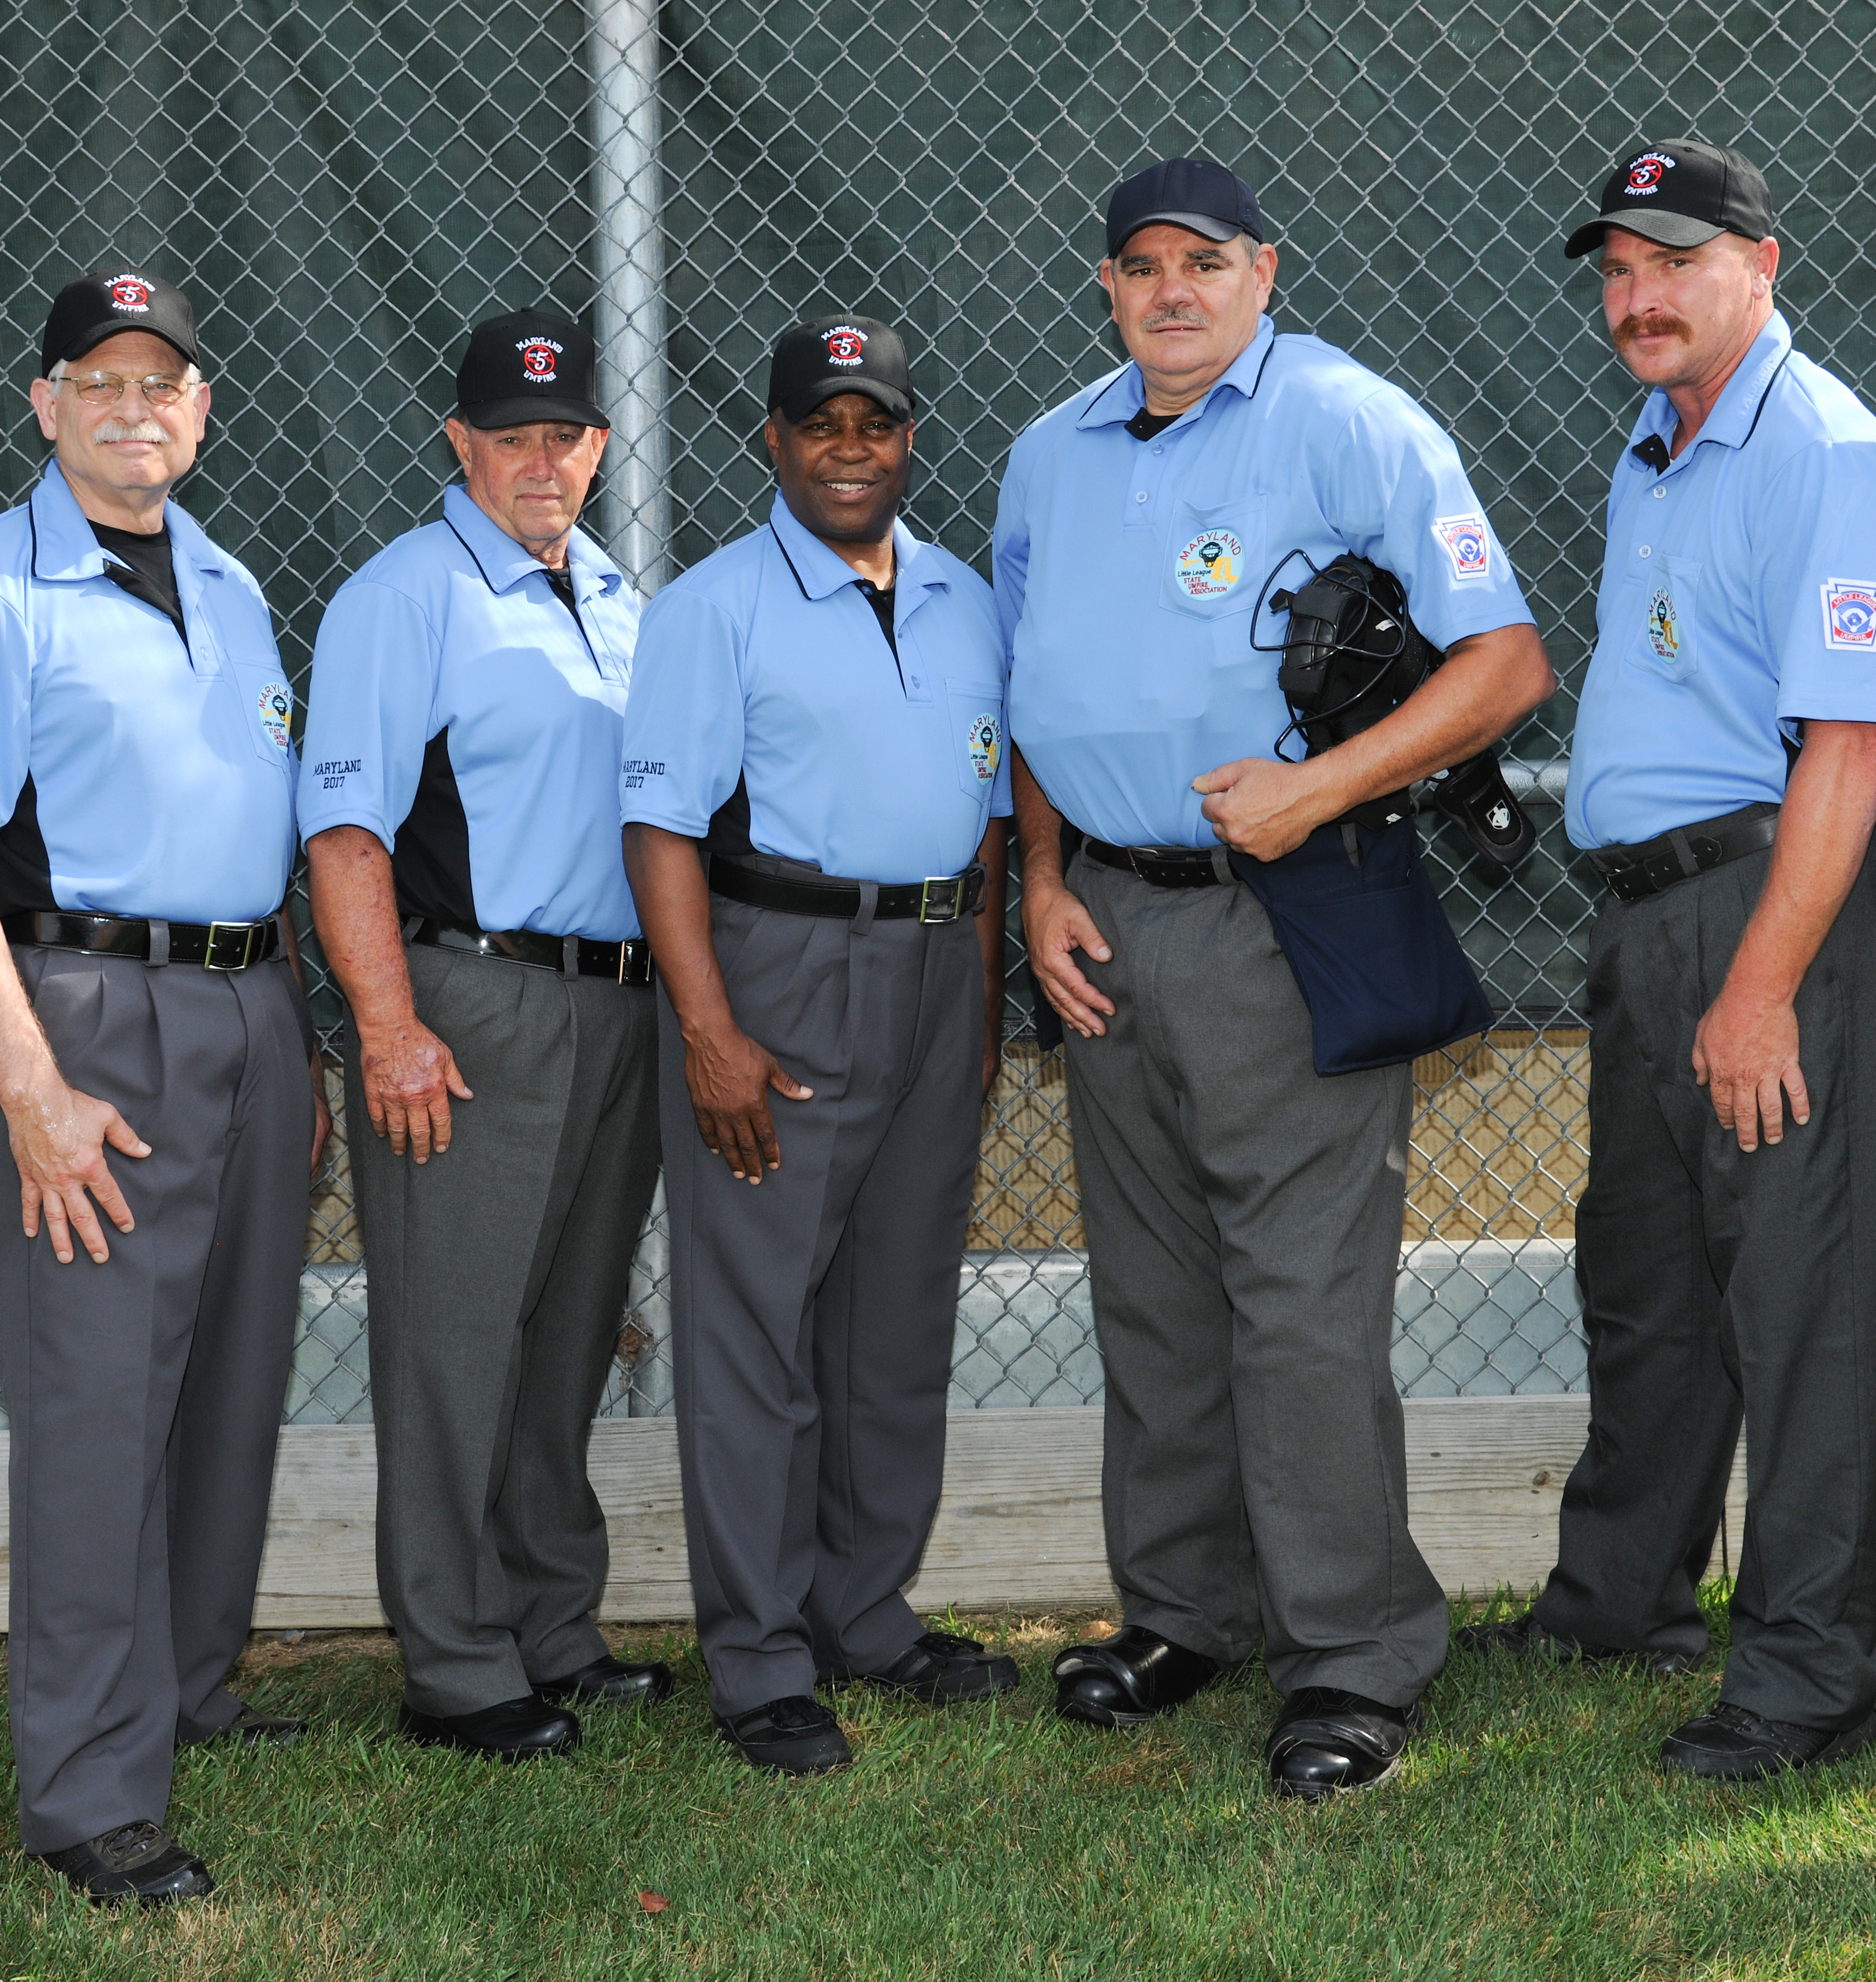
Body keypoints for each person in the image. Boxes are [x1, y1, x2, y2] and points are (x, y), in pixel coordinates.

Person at [997, 158, 1555, 1799]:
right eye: (1140, 265)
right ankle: (1186, 1612)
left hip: (1284, 903)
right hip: (1105, 913)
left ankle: (1355, 1655)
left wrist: (1321, 783)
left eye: (1206, 261)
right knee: (1155, 1302)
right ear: (1105, 285)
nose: (1172, 289)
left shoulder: (1346, 419)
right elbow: (1027, 690)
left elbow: (1504, 661)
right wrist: (1036, 878)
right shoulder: (1051, 452)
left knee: (1298, 1310)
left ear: (1263, 270)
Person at [1458, 139, 1876, 1783]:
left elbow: (1851, 748)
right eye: (1615, 268)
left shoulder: (1827, 453)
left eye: (1671, 260)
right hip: (1647, 911)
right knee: (1646, 1281)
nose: (1636, 295)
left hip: (1774, 915)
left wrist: (1757, 986)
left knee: (1796, 1300)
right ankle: (1620, 1596)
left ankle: (1803, 1673)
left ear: (1760, 263)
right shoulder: (1656, 444)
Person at [0, 265, 325, 1903]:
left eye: (165, 382)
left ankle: (188, 1691)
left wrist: (290, 1043)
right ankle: (88, 1788)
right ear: (47, 404)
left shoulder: (228, 580)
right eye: (101, 379)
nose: (136, 406)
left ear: (202, 411)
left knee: (228, 1377)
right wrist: (31, 1088)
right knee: (95, 1407)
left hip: (247, 1001)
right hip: (87, 1011)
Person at [620, 315, 1015, 1776]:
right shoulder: (713, 608)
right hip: (778, 965)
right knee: (756, 1329)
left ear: (910, 439)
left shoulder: (971, 600)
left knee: (893, 1323)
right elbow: (658, 828)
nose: (850, 447)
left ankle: (867, 1609)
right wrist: (708, 1027)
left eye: (877, 422)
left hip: (934, 968)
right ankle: (760, 1654)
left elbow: (982, 825)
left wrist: (974, 1000)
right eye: (820, 422)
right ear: (773, 441)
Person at [300, 310, 671, 1763]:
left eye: (565, 433)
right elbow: (343, 835)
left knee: (567, 1330)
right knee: (456, 1343)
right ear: (459, 443)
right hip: (471, 1005)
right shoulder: (405, 596)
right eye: (510, 434)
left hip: (616, 1002)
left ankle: (550, 1628)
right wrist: (385, 1025)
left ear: (594, 443)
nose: (541, 457)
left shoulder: (612, 590)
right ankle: (455, 1665)